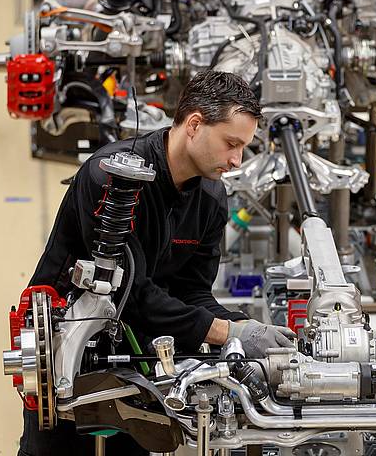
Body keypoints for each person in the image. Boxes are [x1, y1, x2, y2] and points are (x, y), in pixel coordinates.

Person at [19, 70, 295, 455]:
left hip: (143, 360)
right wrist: (225, 332)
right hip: (70, 347)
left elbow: (192, 291)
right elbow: (128, 294)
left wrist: (243, 328)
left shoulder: (212, 198)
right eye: (232, 143)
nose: (237, 160)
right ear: (195, 125)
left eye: (244, 147)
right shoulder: (112, 179)